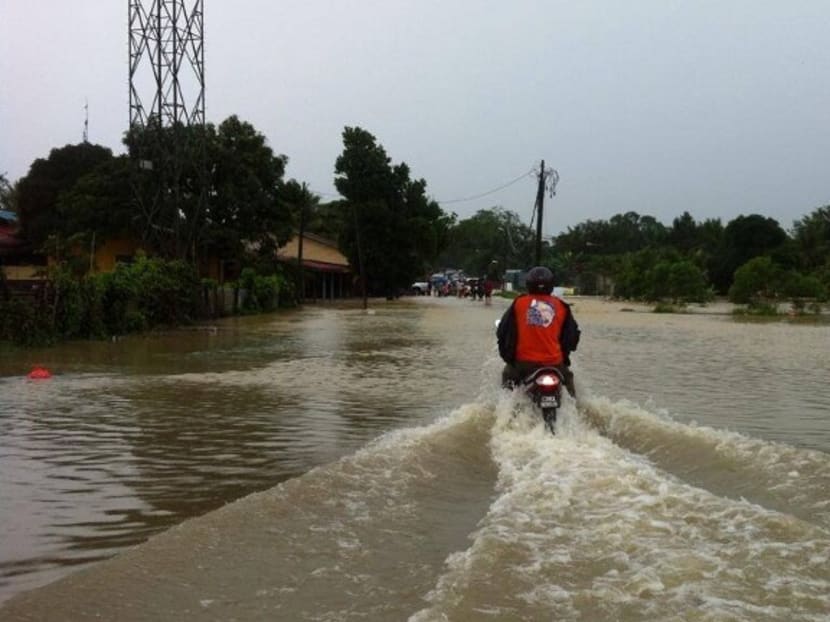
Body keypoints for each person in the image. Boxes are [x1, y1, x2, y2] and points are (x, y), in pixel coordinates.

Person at [496, 266, 580, 397]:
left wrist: (507, 356)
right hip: (555, 364)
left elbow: (503, 331)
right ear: (551, 285)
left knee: (508, 378)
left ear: (528, 284)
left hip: (523, 364)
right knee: (569, 384)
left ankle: (505, 413)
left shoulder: (518, 303)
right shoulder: (562, 306)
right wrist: (563, 356)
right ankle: (576, 412)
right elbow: (573, 337)